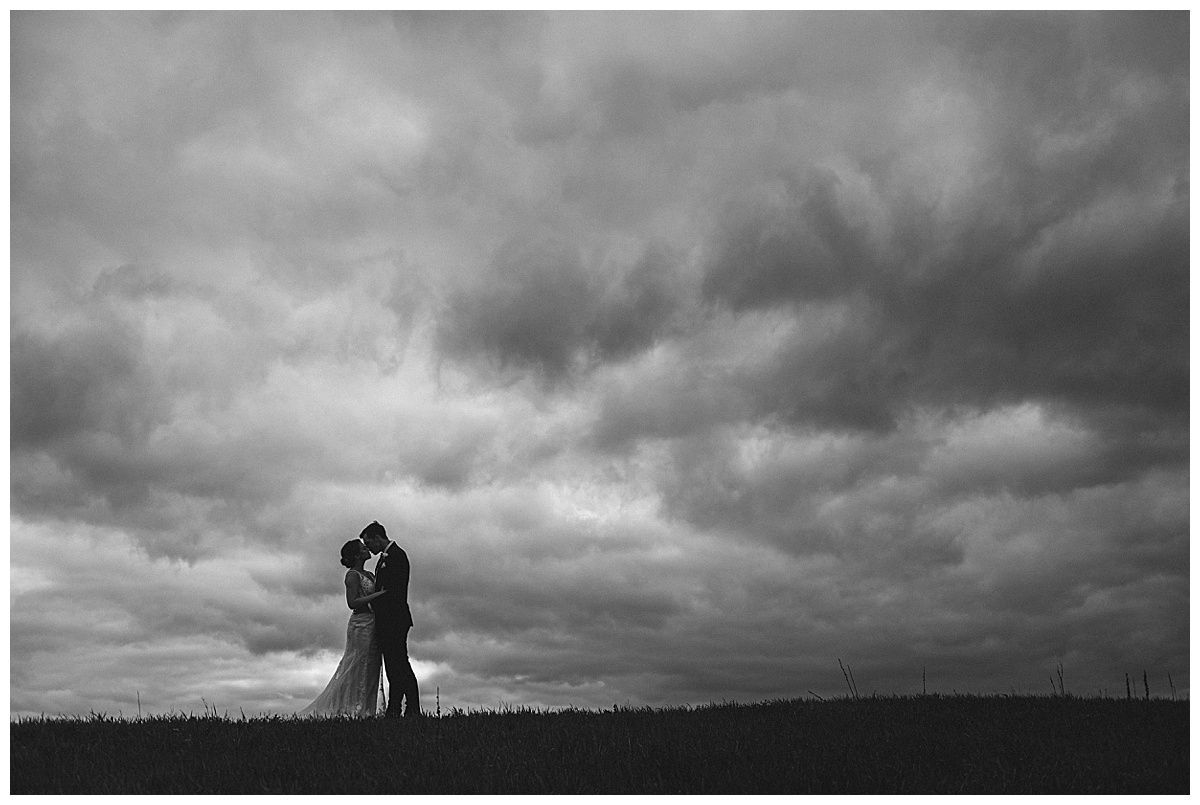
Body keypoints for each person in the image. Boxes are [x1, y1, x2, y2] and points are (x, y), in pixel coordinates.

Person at [299, 540, 387, 717]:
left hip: (374, 623)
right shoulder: (352, 575)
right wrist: (379, 595)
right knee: (357, 665)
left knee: (372, 665)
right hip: (360, 624)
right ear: (356, 555)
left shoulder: (369, 574)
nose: (367, 549)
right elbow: (352, 602)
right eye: (363, 548)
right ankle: (351, 709)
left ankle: (367, 709)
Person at [360, 520, 421, 718]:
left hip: (395, 619)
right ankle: (394, 708)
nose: (368, 547)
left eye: (369, 542)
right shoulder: (385, 557)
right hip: (388, 620)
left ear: (378, 537)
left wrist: (371, 605)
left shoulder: (396, 556)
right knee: (394, 666)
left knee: (400, 664)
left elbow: (392, 591)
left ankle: (412, 708)